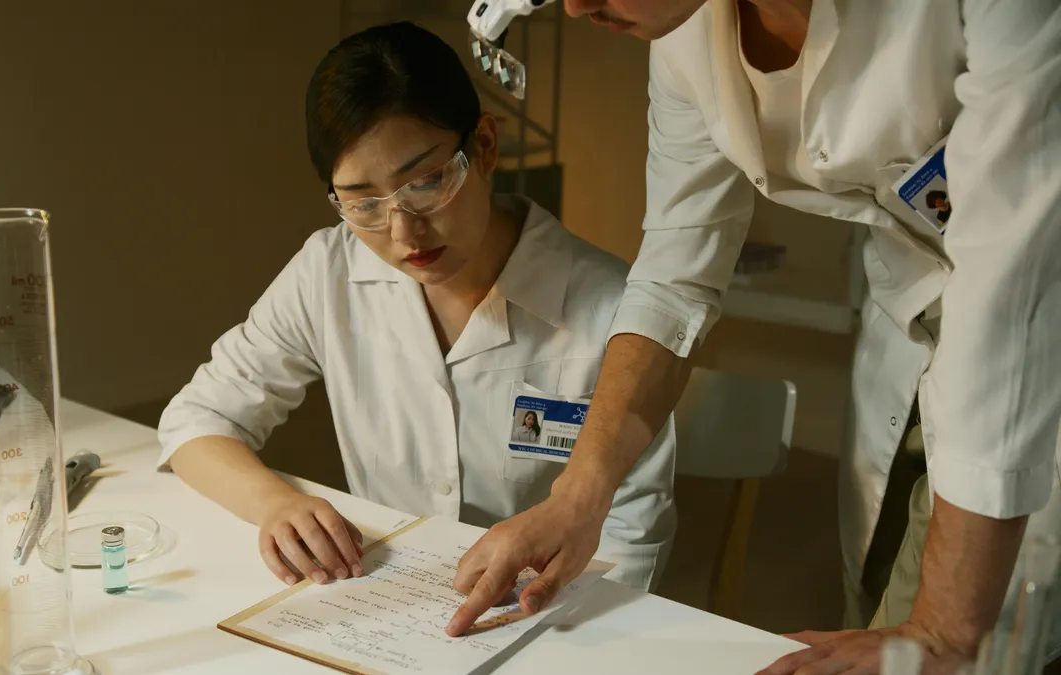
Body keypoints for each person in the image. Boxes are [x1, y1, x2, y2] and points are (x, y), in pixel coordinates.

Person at [446, 1, 1061, 673]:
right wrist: (575, 499)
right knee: (872, 617)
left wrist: (944, 628)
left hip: (1037, 330)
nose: (575, 6)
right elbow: (676, 277)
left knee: (962, 646)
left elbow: (1009, 287)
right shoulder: (686, 38)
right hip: (912, 313)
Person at [156, 21, 675, 594]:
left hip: (544, 613)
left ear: (483, 146)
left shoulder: (614, 308)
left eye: (426, 183)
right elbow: (197, 421)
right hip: (388, 606)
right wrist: (276, 504)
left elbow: (631, 541)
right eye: (363, 204)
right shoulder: (329, 271)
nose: (404, 231)